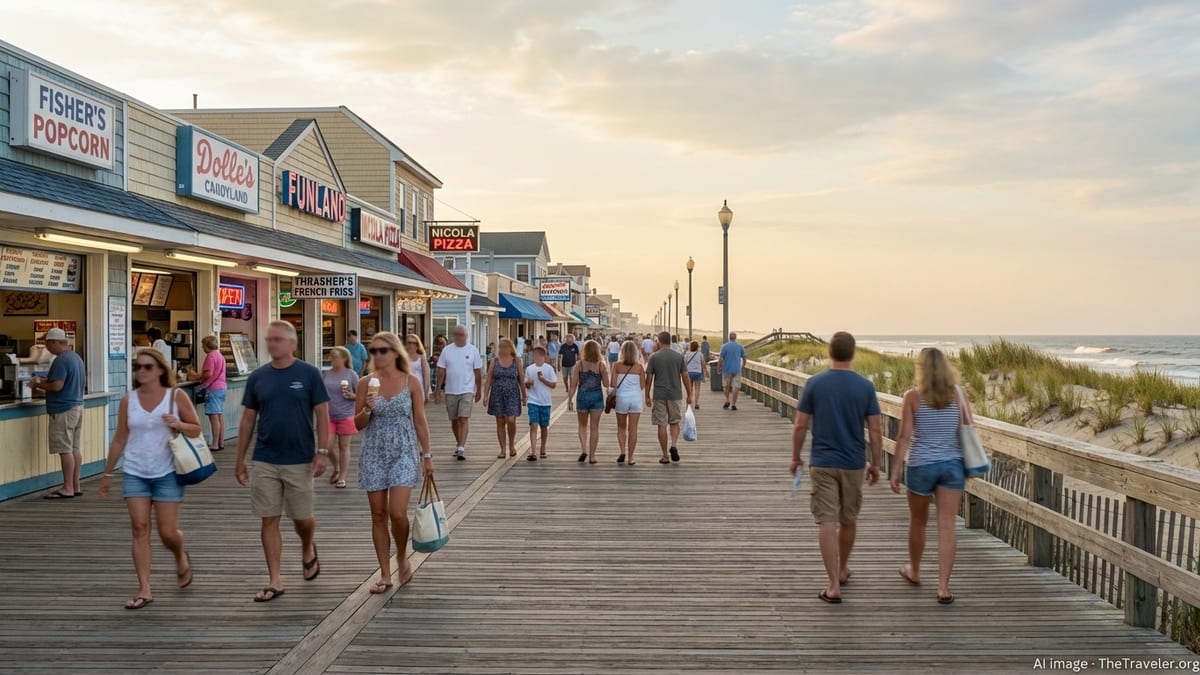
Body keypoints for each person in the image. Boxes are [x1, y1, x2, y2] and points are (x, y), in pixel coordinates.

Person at [235, 321, 331, 603]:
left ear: (292, 343)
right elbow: (248, 419)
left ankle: (306, 546)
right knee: (269, 518)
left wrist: (322, 452)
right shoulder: (258, 377)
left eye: (277, 339)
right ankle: (275, 579)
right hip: (265, 457)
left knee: (303, 518)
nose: (271, 344)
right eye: (269, 340)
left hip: (299, 457)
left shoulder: (308, 374)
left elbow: (323, 414)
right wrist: (240, 459)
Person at [97, 349, 201, 609]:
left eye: (147, 367)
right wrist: (108, 472)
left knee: (167, 531)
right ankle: (144, 588)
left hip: (167, 471)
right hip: (135, 471)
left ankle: (180, 555)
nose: (141, 371)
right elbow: (120, 437)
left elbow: (197, 428)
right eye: (137, 367)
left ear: (160, 370)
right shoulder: (128, 400)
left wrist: (178, 424)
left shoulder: (175, 396)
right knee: (139, 528)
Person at [790, 331, 883, 605]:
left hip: (822, 462)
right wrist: (876, 463)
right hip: (854, 462)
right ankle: (842, 569)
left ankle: (832, 584)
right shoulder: (865, 387)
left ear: (830, 353)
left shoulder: (815, 384)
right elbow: (875, 430)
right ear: (853, 354)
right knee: (848, 519)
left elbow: (800, 424)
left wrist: (796, 457)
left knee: (827, 521)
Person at [354, 332, 434, 592]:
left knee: (397, 513)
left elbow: (420, 421)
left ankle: (401, 555)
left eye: (383, 350)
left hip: (404, 450)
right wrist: (367, 408)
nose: (378, 355)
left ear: (395, 352)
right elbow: (357, 425)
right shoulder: (366, 382)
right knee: (378, 514)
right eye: (374, 350)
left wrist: (428, 456)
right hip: (374, 451)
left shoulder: (411, 382)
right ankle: (385, 574)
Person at [890, 348, 970, 605]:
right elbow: (968, 427)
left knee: (918, 521)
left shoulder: (913, 397)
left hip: (921, 465)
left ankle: (914, 571)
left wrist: (894, 471)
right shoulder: (958, 394)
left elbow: (903, 437)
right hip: (951, 465)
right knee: (947, 524)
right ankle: (943, 588)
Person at [30, 328, 85, 499]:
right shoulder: (76, 358)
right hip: (77, 406)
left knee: (64, 449)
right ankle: (75, 485)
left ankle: (67, 487)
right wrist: (45, 382)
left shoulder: (61, 360)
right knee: (74, 448)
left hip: (63, 409)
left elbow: (57, 386)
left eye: (47, 343)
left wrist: (38, 385)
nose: (46, 347)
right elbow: (61, 381)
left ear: (55, 342)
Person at [435, 325, 483, 461]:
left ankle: (461, 447)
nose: (458, 337)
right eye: (456, 335)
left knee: (463, 418)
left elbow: (477, 371)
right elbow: (441, 371)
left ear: (466, 336)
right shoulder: (447, 350)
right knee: (455, 420)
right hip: (451, 390)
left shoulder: (472, 350)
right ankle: (458, 442)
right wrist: (438, 389)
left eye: (461, 335)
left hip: (467, 389)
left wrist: (479, 390)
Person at [644, 331, 690, 464]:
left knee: (661, 425)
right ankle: (674, 445)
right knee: (674, 422)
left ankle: (665, 456)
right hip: (675, 394)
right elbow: (685, 376)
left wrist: (647, 395)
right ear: (670, 341)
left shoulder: (654, 357)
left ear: (658, 341)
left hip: (659, 395)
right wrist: (689, 394)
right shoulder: (678, 356)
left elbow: (649, 378)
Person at [322, 346, 360, 489]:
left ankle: (342, 477)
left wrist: (352, 396)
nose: (332, 359)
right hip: (328, 415)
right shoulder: (326, 374)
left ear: (344, 358)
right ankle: (336, 466)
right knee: (327, 446)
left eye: (335, 357)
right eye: (331, 357)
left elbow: (360, 394)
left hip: (345, 414)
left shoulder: (351, 375)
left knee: (344, 446)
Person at [483, 338, 524, 459]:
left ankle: (512, 445)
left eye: (505, 347)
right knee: (500, 421)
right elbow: (489, 378)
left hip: (512, 394)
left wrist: (524, 395)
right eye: (500, 347)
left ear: (511, 348)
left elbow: (521, 378)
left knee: (511, 420)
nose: (502, 349)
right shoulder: (494, 361)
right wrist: (485, 395)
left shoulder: (516, 361)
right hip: (497, 394)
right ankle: (503, 449)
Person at [187, 336, 228, 451]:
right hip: (222, 387)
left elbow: (208, 373)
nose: (202, 347)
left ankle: (214, 444)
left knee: (213, 416)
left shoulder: (210, 356)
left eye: (203, 345)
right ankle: (221, 442)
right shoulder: (220, 356)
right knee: (219, 415)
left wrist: (196, 376)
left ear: (207, 345)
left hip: (213, 388)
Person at [611, 340, 645, 465]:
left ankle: (622, 452)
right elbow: (642, 385)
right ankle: (631, 457)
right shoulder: (639, 367)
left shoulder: (617, 366)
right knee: (633, 429)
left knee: (621, 427)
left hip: (621, 398)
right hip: (636, 398)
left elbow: (613, 384)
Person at [574, 340, 608, 464]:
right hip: (596, 397)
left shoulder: (579, 364)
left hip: (582, 396)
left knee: (582, 426)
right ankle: (592, 456)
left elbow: (573, 384)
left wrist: (569, 400)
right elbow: (606, 383)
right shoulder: (601, 365)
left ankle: (583, 449)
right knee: (595, 428)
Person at [524, 346, 557, 461]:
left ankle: (542, 447)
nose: (535, 358)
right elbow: (526, 384)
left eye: (537, 356)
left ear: (543, 356)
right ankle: (533, 451)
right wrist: (528, 383)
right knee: (533, 424)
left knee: (544, 426)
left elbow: (554, 385)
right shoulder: (529, 369)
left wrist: (543, 379)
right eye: (534, 356)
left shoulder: (549, 369)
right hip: (533, 400)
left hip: (545, 402)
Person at [718, 332, 748, 411]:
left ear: (729, 337)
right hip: (736, 369)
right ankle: (733, 404)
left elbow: (720, 359)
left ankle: (727, 400)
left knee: (726, 386)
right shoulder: (740, 346)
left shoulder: (724, 346)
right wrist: (742, 367)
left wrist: (719, 368)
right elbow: (744, 360)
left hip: (726, 369)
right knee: (736, 386)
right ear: (735, 338)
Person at [405, 334, 431, 401]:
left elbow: (426, 374)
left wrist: (426, 392)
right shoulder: (403, 356)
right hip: (406, 386)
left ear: (416, 344)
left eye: (412, 343)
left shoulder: (421, 356)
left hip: (419, 386)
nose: (410, 345)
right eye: (408, 342)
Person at [558, 333, 580, 412]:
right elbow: (560, 355)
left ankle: (571, 389)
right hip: (564, 365)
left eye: (571, 339)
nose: (570, 340)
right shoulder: (563, 346)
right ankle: (567, 387)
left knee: (571, 378)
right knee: (564, 378)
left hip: (572, 365)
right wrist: (558, 364)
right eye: (568, 339)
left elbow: (578, 355)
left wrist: (578, 364)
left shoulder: (575, 346)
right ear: (566, 339)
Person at [684, 341, 706, 410]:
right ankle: (696, 403)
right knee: (697, 388)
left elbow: (684, 363)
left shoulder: (687, 353)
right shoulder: (700, 354)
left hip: (689, 372)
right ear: (697, 347)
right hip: (697, 372)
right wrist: (703, 374)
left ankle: (689, 402)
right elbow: (703, 364)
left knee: (689, 389)